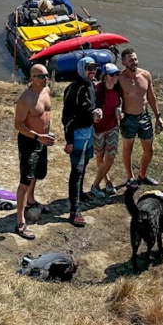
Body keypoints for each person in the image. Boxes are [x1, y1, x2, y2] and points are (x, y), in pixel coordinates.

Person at [14, 64, 56, 240]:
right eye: (41, 76)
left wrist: (47, 134)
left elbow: (46, 115)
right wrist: (37, 136)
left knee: (38, 174)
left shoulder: (46, 91)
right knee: (25, 180)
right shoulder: (26, 98)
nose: (45, 78)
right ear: (32, 77)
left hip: (42, 140)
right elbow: (18, 124)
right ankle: (20, 221)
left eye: (46, 75)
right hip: (30, 141)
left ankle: (31, 200)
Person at [62, 56, 101, 227]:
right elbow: (67, 118)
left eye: (94, 68)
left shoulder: (91, 85)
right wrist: (69, 141)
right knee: (76, 170)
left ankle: (79, 193)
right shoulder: (75, 88)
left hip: (89, 131)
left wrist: (96, 113)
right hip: (77, 134)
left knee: (84, 164)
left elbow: (90, 107)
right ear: (81, 68)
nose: (93, 71)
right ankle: (74, 210)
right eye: (89, 68)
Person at [118, 48, 163, 186]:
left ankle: (142, 175)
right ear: (124, 62)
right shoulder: (120, 78)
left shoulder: (146, 75)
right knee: (128, 149)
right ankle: (130, 178)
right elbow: (115, 97)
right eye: (131, 60)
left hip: (144, 117)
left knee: (149, 150)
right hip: (128, 118)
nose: (134, 62)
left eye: (135, 59)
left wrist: (158, 116)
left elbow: (151, 97)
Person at [90, 62, 123, 199]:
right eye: (112, 75)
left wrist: (120, 110)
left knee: (110, 157)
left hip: (113, 127)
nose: (115, 77)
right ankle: (107, 180)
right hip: (98, 129)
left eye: (117, 74)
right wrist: (94, 114)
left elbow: (120, 103)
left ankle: (95, 185)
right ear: (104, 77)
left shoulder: (118, 89)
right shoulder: (96, 89)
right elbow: (89, 107)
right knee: (100, 157)